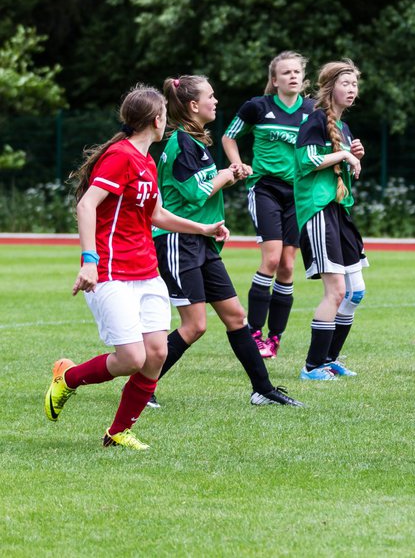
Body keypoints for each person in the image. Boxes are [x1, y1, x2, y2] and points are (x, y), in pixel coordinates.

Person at [44, 85, 230, 450]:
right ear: (157, 120)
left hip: (146, 270)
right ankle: (67, 378)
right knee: (132, 358)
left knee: (156, 354)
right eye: (165, 116)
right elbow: (86, 206)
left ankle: (117, 433)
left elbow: (157, 215)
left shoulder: (146, 161)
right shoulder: (121, 156)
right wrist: (89, 261)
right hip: (112, 271)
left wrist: (204, 228)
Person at [151, 75, 302, 407]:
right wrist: (228, 174)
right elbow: (194, 194)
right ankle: (141, 388)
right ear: (194, 105)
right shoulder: (181, 144)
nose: (216, 101)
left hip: (200, 240)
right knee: (194, 326)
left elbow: (201, 191)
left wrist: (227, 181)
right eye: (211, 96)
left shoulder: (197, 142)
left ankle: (263, 389)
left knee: (236, 317)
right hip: (178, 241)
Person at [223, 51, 316, 359]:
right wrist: (238, 165)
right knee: (272, 260)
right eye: (285, 72)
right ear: (274, 80)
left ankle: (273, 339)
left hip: (298, 194)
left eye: (296, 72)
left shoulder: (313, 110)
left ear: (303, 79)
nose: (292, 76)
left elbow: (330, 142)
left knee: (289, 266)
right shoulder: (257, 107)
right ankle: (253, 331)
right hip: (265, 189)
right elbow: (229, 137)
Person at [294, 59, 367, 380]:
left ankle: (329, 358)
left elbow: (335, 161)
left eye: (354, 84)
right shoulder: (314, 121)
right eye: (346, 84)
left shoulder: (343, 126)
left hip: (339, 211)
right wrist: (343, 155)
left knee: (356, 291)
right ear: (330, 87)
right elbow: (307, 161)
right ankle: (312, 366)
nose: (352, 90)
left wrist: (354, 155)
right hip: (317, 211)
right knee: (336, 291)